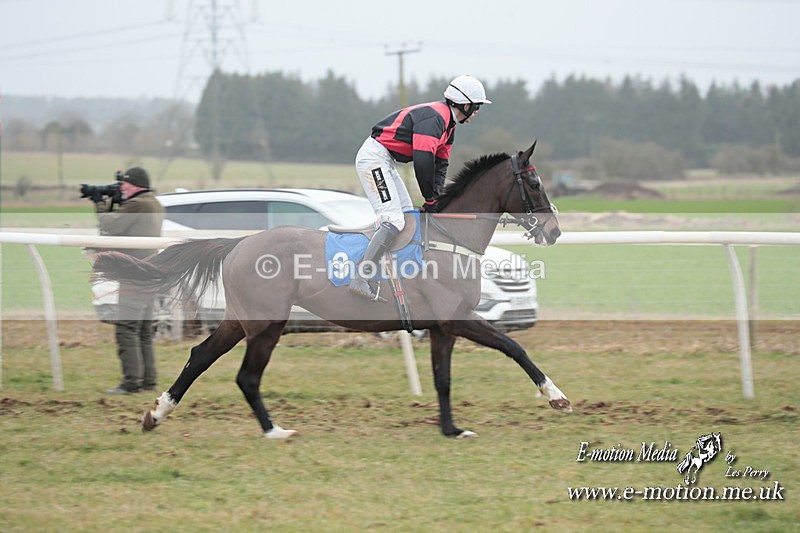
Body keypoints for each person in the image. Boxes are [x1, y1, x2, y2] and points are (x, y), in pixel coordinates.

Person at [349, 74, 491, 301]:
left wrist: (436, 199)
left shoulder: (449, 127)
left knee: (407, 216)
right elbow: (424, 162)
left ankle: (394, 273)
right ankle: (361, 276)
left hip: (386, 160)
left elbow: (440, 165)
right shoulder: (435, 119)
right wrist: (431, 199)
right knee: (394, 220)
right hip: (374, 158)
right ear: (465, 104)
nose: (475, 113)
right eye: (476, 108)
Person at [93, 167, 165, 394]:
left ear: (135, 184)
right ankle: (148, 381)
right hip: (149, 272)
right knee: (143, 330)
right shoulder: (153, 203)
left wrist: (99, 203)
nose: (122, 188)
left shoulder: (138, 204)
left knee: (126, 328)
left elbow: (109, 225)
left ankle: (132, 382)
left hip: (134, 274)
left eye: (125, 184)